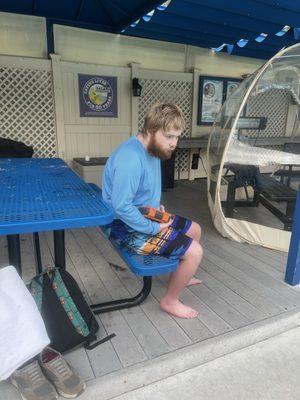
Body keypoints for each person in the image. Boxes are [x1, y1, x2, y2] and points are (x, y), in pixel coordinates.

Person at [102, 103, 203, 319]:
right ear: (150, 130)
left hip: (144, 213)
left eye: (177, 137)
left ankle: (180, 275)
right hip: (121, 226)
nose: (174, 143)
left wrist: (156, 209)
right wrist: (153, 226)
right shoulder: (130, 158)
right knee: (194, 251)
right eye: (169, 136)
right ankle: (170, 301)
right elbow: (121, 207)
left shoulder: (155, 149)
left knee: (195, 230)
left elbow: (143, 192)